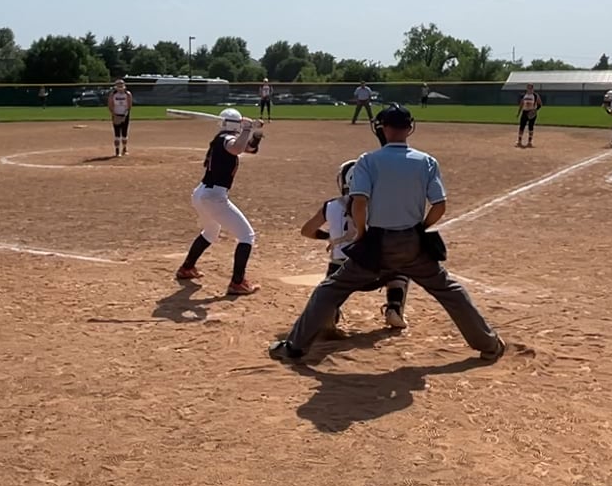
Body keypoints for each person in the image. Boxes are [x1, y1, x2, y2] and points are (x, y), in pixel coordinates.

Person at [270, 104, 504, 363]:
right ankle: (489, 344)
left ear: (383, 128)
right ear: (410, 128)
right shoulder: (426, 161)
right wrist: (420, 228)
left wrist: (361, 234)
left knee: (330, 290)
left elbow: (359, 203)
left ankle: (295, 348)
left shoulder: (368, 161)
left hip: (377, 242)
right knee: (450, 291)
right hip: (414, 244)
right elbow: (439, 206)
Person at [300, 160, 409, 336]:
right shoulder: (381, 205)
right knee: (401, 266)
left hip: (341, 272)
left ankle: (330, 312)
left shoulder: (331, 205)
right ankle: (394, 308)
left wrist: (330, 237)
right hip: (376, 272)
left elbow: (307, 231)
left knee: (331, 288)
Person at [177, 107, 264, 296]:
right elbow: (236, 147)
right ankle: (237, 283)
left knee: (210, 232)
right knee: (247, 236)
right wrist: (247, 128)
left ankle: (187, 268)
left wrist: (255, 134)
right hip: (214, 197)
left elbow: (249, 149)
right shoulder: (226, 139)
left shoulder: (222, 138)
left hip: (202, 193)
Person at [105, 79, 134, 157]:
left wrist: (125, 115)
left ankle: (124, 148)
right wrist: (114, 115)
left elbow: (129, 106)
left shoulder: (128, 94)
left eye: (121, 85)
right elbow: (110, 105)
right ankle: (117, 150)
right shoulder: (113, 95)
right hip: (116, 114)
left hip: (125, 114)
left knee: (124, 133)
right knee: (117, 133)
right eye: (118, 85)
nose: (120, 87)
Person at [515, 84, 543, 148]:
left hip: (532, 112)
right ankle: (519, 141)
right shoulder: (524, 95)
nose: (529, 89)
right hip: (525, 112)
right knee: (521, 127)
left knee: (531, 127)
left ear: (533, 89)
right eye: (528, 88)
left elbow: (540, 104)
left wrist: (535, 110)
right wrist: (518, 113)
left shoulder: (535, 95)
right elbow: (521, 104)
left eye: (530, 88)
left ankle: (529, 142)